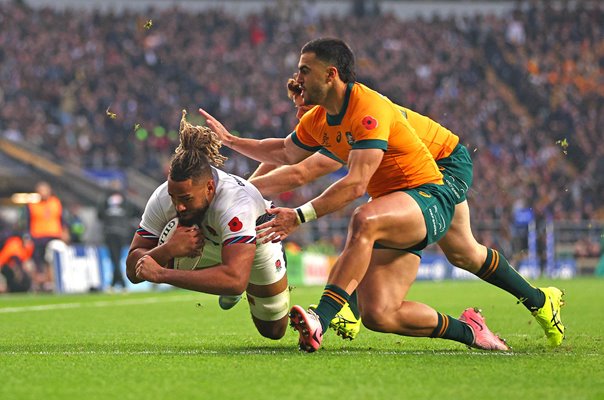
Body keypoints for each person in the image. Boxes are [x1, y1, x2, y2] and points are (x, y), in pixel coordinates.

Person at [200, 38, 522, 352]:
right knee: (381, 314)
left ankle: (320, 320)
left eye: (304, 70)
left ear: (331, 74)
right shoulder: (319, 120)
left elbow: (353, 185)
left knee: (365, 219)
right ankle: (471, 331)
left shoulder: (368, 110)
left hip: (427, 195)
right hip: (392, 205)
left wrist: (299, 215)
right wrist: (230, 140)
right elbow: (285, 153)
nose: (298, 80)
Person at [246, 76, 566, 347]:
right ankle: (539, 302)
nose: (299, 114)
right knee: (464, 255)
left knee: (371, 221)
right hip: (405, 182)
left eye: (304, 106)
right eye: (297, 108)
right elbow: (284, 156)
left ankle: (339, 310)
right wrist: (245, 191)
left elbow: (300, 172)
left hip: (442, 166)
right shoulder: (328, 119)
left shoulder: (350, 122)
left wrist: (243, 200)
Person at [126, 110, 290, 340]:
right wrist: (166, 250)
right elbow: (133, 270)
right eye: (175, 198)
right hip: (202, 242)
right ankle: (216, 276)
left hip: (255, 240)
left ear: (210, 188)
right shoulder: (163, 196)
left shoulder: (235, 202)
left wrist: (162, 273)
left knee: (273, 331)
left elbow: (234, 280)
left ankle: (230, 278)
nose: (178, 206)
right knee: (173, 234)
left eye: (186, 199)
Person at [21, 181, 69, 292]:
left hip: (53, 235)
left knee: (50, 259)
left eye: (44, 190)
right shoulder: (31, 205)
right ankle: (39, 283)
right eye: (40, 190)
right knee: (38, 261)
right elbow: (27, 223)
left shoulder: (56, 203)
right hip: (37, 237)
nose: (42, 193)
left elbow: (62, 220)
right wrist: (27, 237)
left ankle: (51, 282)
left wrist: (65, 232)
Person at [98, 181, 137, 291]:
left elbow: (100, 214)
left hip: (111, 231)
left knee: (115, 258)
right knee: (116, 258)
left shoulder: (105, 198)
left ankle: (117, 284)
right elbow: (130, 212)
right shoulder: (124, 198)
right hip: (120, 231)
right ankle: (119, 283)